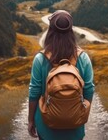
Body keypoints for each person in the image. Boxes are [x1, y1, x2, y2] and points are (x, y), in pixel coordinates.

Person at [28, 10, 95, 140]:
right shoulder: (83, 58)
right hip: (75, 129)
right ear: (71, 31)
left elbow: (34, 92)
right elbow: (89, 90)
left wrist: (31, 120)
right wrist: (81, 114)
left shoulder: (40, 59)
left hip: (46, 127)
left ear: (50, 31)